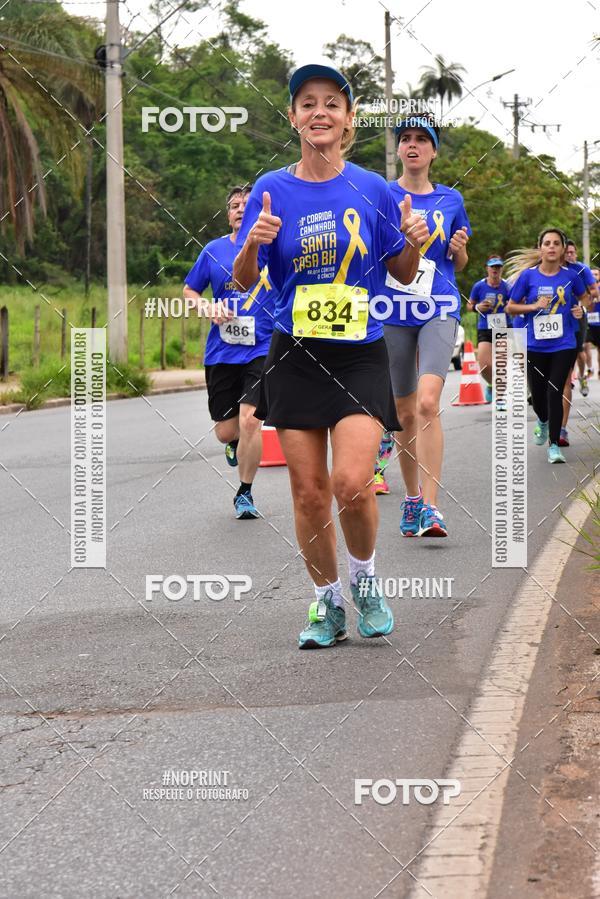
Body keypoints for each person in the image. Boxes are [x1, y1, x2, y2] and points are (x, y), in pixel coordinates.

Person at [233, 64, 429, 649]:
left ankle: (364, 578)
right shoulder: (271, 187)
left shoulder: (372, 188)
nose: (319, 111)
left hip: (358, 356)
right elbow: (243, 280)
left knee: (351, 482)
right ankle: (326, 602)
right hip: (294, 354)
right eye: (308, 103)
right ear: (293, 117)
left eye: (332, 103)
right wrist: (252, 243)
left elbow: (403, 272)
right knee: (309, 492)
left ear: (348, 120)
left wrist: (414, 244)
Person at [373, 114, 471, 537]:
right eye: (405, 139)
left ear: (434, 151)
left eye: (421, 139)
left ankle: (431, 507)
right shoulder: (382, 195)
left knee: (429, 403)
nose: (412, 145)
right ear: (398, 149)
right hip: (393, 309)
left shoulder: (451, 199)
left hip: (439, 307)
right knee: (403, 412)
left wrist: (459, 249)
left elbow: (458, 262)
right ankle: (412, 499)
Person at [183, 185, 275, 519]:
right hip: (222, 351)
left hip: (262, 346)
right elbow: (190, 290)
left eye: (246, 205)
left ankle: (245, 492)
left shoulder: (272, 248)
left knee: (251, 420)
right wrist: (208, 308)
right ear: (227, 215)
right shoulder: (213, 250)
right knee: (226, 431)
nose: (239, 209)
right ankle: (234, 443)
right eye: (234, 205)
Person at [505, 229, 588, 463]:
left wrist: (580, 309)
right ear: (540, 248)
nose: (551, 246)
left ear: (562, 249)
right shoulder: (528, 277)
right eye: (547, 243)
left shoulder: (571, 276)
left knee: (555, 390)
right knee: (539, 397)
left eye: (556, 243)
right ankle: (542, 420)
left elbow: (586, 298)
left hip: (564, 343)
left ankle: (554, 446)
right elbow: (511, 307)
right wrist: (533, 307)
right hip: (535, 345)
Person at [559, 241, 598, 445]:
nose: (569, 255)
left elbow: (593, 293)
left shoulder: (581, 270)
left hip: (576, 320)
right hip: (550, 325)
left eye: (572, 252)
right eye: (567, 252)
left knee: (579, 352)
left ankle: (561, 429)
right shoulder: (546, 268)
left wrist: (583, 305)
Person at [467, 256, 511, 405]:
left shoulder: (507, 286)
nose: (495, 270)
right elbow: (469, 305)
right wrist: (477, 307)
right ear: (487, 268)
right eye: (492, 267)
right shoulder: (479, 286)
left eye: (498, 267)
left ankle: (500, 397)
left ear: (501, 269)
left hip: (504, 327)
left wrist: (510, 307)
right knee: (484, 365)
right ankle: (492, 385)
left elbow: (515, 302)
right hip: (485, 328)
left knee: (501, 363)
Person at [587, 267, 600, 375]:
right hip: (586, 323)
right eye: (591, 274)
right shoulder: (583, 288)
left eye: (596, 274)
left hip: (598, 324)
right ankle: (590, 368)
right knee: (584, 347)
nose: (594, 276)